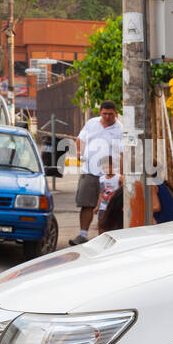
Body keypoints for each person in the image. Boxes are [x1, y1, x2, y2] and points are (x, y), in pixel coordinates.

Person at [70, 101, 123, 245]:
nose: (107, 117)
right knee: (86, 204)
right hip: (89, 172)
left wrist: (122, 175)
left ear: (115, 113)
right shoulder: (92, 123)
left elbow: (124, 153)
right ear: (100, 112)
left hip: (111, 175)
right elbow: (79, 139)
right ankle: (83, 235)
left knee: (110, 206)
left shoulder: (120, 129)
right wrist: (80, 154)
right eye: (104, 113)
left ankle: (109, 237)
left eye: (110, 114)